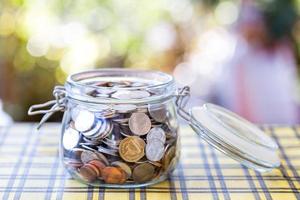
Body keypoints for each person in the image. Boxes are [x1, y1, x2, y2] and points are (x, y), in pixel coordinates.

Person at [214, 0, 299, 124]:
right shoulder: (242, 58)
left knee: (278, 102)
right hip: (254, 65)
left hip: (271, 64)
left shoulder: (280, 8)